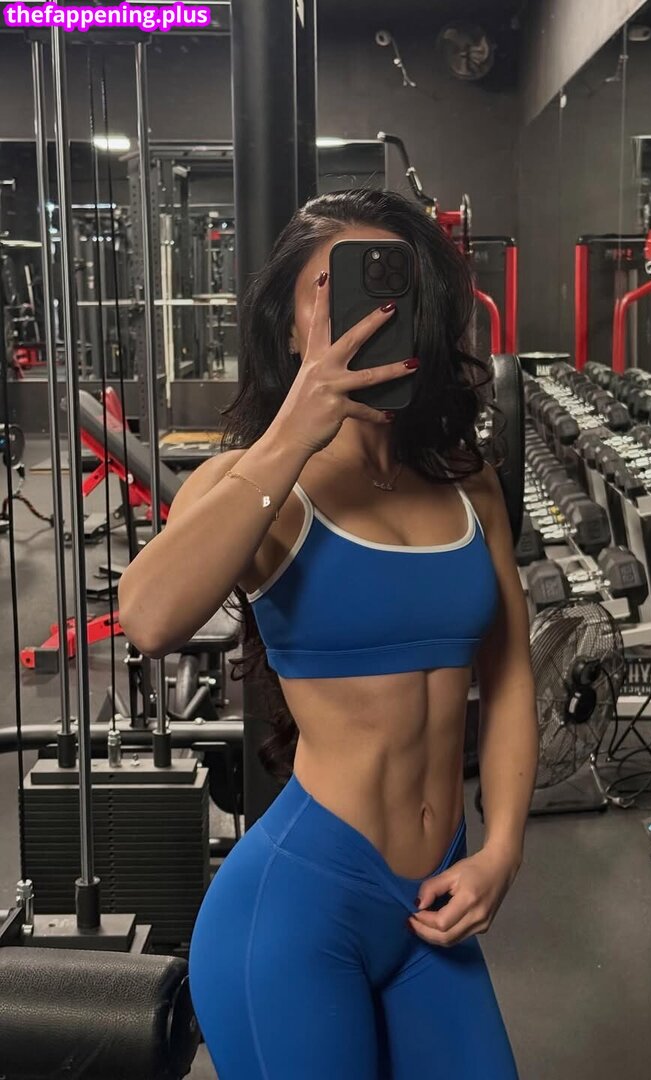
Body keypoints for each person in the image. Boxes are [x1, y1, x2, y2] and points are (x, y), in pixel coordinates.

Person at [118, 189, 539, 1079]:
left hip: (433, 904)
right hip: (295, 914)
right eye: (342, 291)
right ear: (288, 328)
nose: (375, 316)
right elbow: (148, 619)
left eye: (398, 294)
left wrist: (502, 848)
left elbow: (507, 680)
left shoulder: (468, 482)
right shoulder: (253, 485)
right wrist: (291, 436)